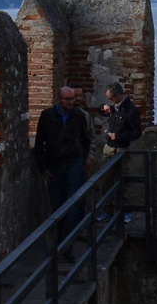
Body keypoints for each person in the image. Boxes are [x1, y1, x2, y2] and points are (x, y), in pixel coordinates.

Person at [34, 85, 92, 233]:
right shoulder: (47, 116)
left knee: (72, 203)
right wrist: (43, 167)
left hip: (74, 164)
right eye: (67, 99)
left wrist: (85, 159)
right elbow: (39, 142)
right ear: (59, 99)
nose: (71, 102)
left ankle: (67, 246)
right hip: (55, 166)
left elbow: (85, 138)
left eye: (72, 99)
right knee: (57, 204)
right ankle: (59, 242)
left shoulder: (78, 115)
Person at [99, 81, 142, 158]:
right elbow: (100, 111)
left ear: (118, 96)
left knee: (122, 170)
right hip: (108, 147)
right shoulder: (114, 108)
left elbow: (137, 132)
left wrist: (118, 136)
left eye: (111, 99)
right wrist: (103, 107)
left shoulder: (131, 111)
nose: (110, 101)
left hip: (121, 149)